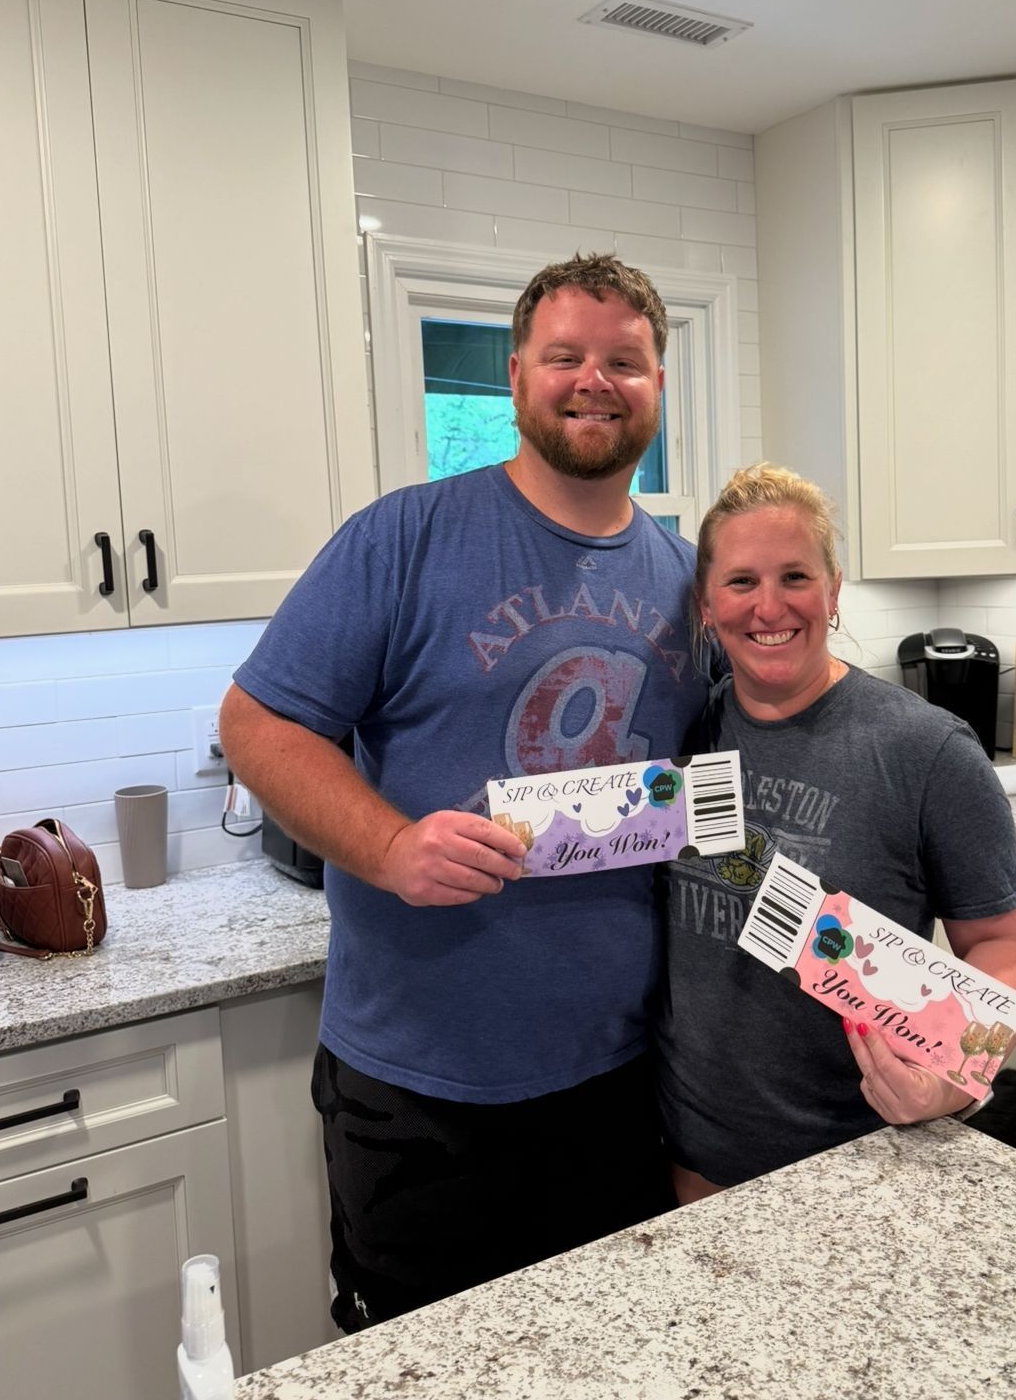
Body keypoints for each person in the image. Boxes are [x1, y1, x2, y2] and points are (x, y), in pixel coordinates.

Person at [219, 253, 709, 1326]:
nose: (595, 380)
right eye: (565, 356)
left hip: (618, 1083)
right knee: (418, 1397)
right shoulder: (403, 538)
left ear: (659, 385)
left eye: (625, 360)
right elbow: (255, 724)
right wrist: (391, 847)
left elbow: (711, 795)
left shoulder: (680, 576)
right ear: (515, 375)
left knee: (605, 1377)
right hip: (420, 1095)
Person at [656, 464, 1016, 1201]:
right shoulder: (685, 733)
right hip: (694, 1162)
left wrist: (946, 1083)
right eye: (740, 582)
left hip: (859, 1167)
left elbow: (1007, 943)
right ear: (706, 604)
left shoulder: (926, 750)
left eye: (794, 575)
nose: (769, 606)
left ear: (833, 591)